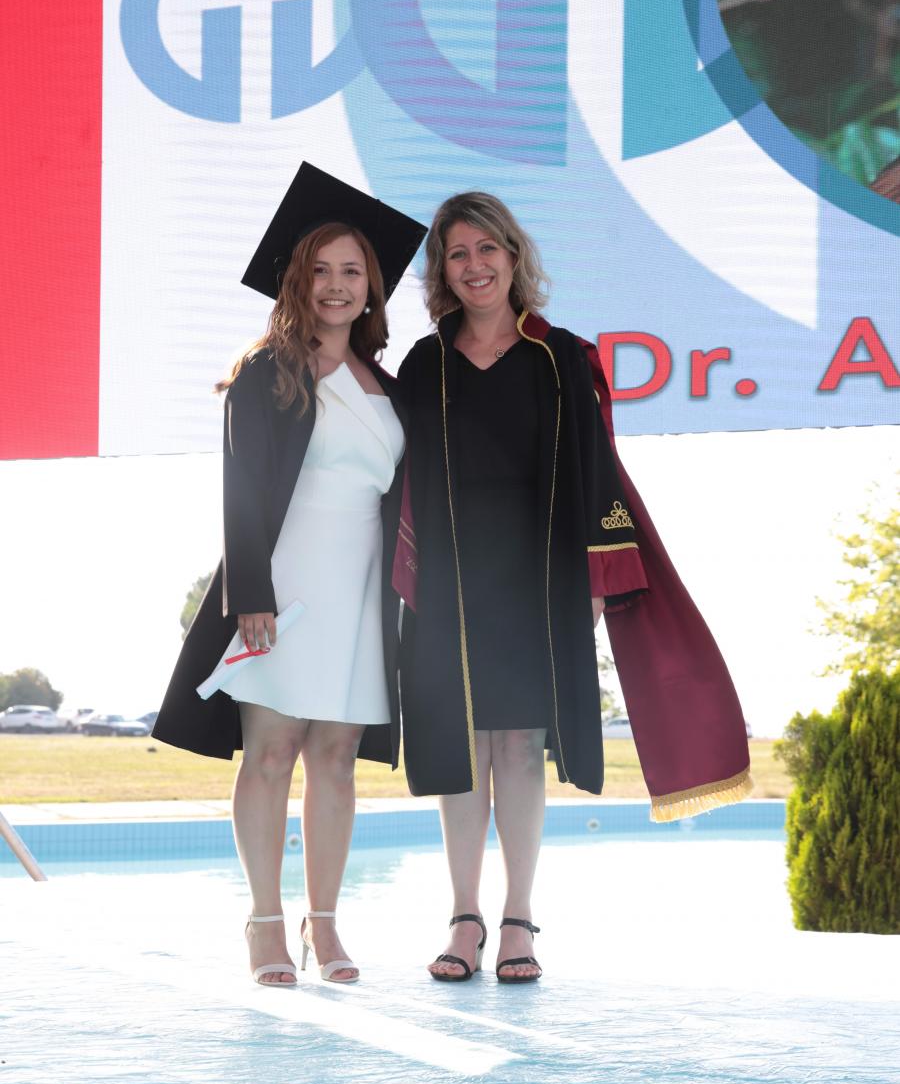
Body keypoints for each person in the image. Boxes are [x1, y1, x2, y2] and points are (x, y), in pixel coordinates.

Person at [392, 192, 751, 984]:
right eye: (458, 253)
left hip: (539, 577)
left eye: (488, 249)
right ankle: (463, 917)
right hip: (452, 578)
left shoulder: (562, 358)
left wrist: (593, 584)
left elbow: (596, 471)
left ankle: (517, 918)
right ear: (442, 271)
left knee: (521, 744)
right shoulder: (425, 363)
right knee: (463, 747)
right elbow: (397, 475)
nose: (475, 266)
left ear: (514, 255)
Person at [154, 164, 425, 986]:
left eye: (353, 271)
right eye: (321, 270)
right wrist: (252, 595)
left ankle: (325, 924)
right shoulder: (266, 372)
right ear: (296, 280)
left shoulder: (390, 386)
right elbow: (239, 488)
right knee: (271, 751)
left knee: (336, 757)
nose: (337, 285)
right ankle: (265, 921)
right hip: (281, 586)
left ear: (372, 287)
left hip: (362, 593)